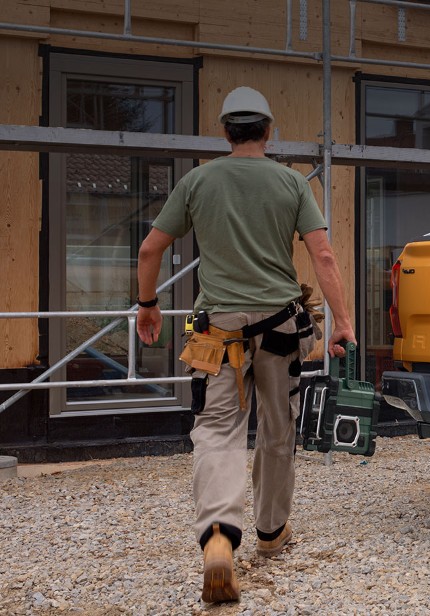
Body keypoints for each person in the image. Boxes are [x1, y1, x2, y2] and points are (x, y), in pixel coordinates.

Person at [135, 86, 355, 604]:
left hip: (217, 332)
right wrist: (342, 321)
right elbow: (324, 258)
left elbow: (150, 248)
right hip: (280, 326)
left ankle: (218, 535)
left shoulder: (197, 181)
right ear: (268, 130)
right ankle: (272, 532)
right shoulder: (291, 183)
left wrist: (148, 304)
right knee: (278, 428)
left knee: (215, 430)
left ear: (225, 132)